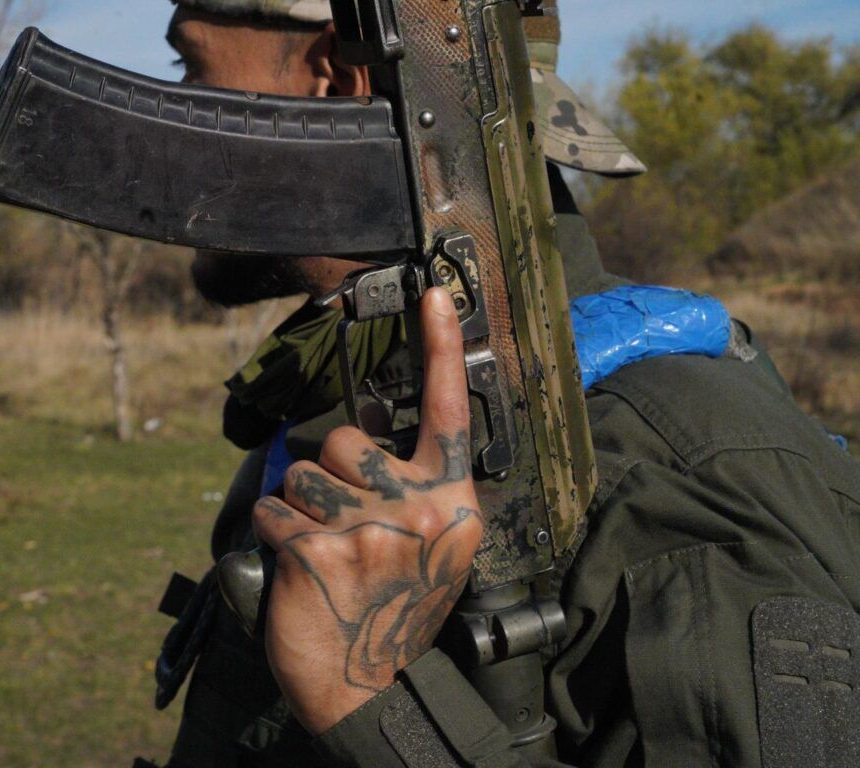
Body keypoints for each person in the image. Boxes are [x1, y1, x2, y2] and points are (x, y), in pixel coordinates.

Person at [146, 1, 860, 766]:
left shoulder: (685, 480)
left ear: (338, 76)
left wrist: (374, 706)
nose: (165, 135)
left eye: (190, 66)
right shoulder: (342, 415)